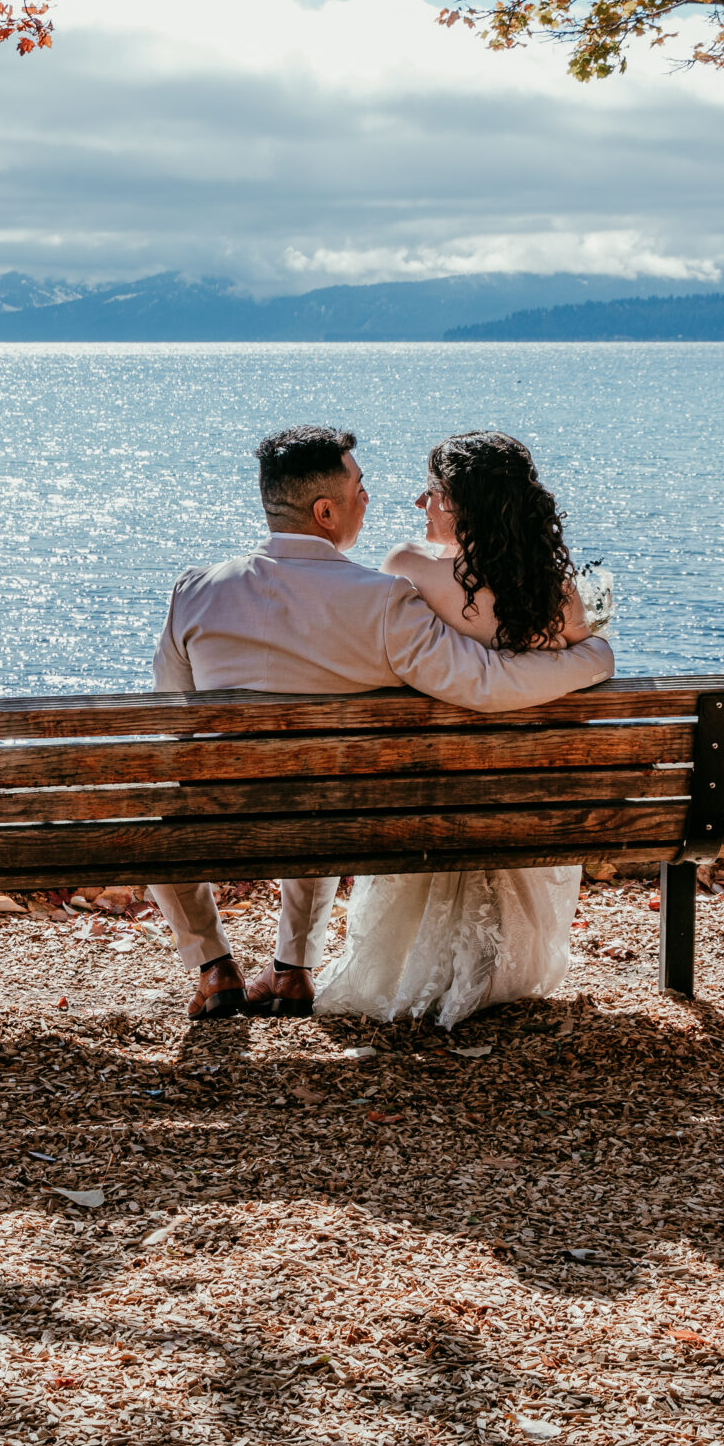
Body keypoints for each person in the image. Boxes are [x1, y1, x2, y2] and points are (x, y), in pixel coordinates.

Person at [150, 425, 615, 1020]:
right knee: (317, 785)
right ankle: (292, 969)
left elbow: (172, 719)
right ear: (326, 511)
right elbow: (486, 683)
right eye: (360, 487)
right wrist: (592, 655)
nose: (370, 498)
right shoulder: (383, 602)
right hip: (340, 815)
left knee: (168, 802)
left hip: (223, 813)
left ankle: (214, 967)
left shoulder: (193, 593)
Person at [314, 432, 594, 1027]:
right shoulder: (556, 594)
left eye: (434, 492)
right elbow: (573, 648)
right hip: (527, 795)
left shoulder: (408, 570)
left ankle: (429, 969)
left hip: (430, 792)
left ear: (465, 504)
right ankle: (492, 970)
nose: (421, 503)